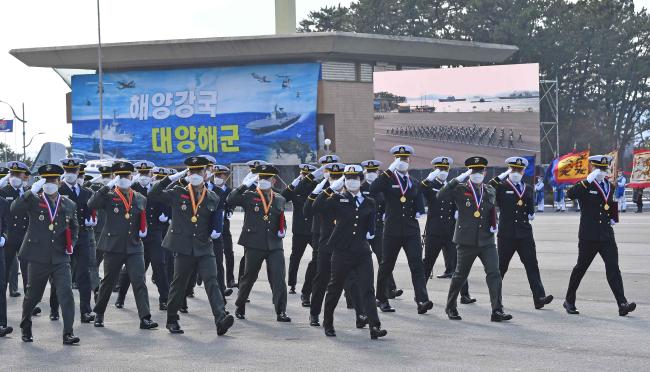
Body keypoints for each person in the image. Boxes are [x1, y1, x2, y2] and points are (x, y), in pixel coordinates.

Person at [149, 156, 234, 335]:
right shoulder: (177, 192)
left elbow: (216, 217)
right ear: (187, 173)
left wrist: (216, 230)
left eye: (199, 171)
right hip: (183, 246)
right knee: (179, 283)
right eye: (192, 171)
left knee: (212, 280)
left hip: (204, 246)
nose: (195, 174)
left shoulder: (212, 196)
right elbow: (154, 194)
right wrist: (170, 179)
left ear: (205, 173)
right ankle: (172, 319)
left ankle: (220, 319)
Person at [438, 156, 512, 322]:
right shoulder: (460, 189)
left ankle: (497, 311)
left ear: (485, 173)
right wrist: (457, 179)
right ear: (469, 172)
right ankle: (451, 307)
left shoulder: (490, 190)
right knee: (459, 276)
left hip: (486, 241)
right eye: (474, 171)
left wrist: (495, 223)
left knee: (494, 273)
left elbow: (491, 210)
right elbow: (441, 195)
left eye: (480, 171)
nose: (477, 174)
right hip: (466, 241)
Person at [318, 164, 387, 340]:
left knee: (367, 290)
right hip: (342, 252)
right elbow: (316, 208)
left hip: (362, 253)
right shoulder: (337, 199)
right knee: (334, 288)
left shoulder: (369, 202)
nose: (351, 181)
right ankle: (328, 323)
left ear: (361, 180)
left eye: (355, 178)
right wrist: (329, 189)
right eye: (348, 178)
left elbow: (371, 228)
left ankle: (375, 326)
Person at [13, 164, 80, 344]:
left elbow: (74, 227)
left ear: (59, 182)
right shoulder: (34, 200)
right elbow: (14, 209)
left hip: (60, 257)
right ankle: (26, 324)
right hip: (38, 256)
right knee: (33, 295)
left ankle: (68, 333)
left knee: (66, 293)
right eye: (46, 180)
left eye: (52, 180)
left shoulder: (68, 203)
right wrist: (29, 190)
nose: (50, 183)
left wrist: (71, 244)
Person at [89, 161, 158, 330]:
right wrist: (107, 187)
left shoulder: (140, 198)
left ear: (131, 176)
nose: (123, 179)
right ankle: (99, 313)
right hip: (113, 246)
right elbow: (92, 204)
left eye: (126, 175)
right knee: (108, 282)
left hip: (134, 246)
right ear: (115, 178)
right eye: (119, 176)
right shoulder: (109, 196)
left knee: (139, 281)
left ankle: (145, 318)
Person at [564, 155, 636, 316]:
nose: (602, 171)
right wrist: (588, 180)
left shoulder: (609, 186)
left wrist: (613, 217)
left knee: (613, 269)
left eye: (604, 168)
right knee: (580, 268)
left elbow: (609, 204)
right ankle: (569, 300)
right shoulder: (585, 184)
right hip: (588, 235)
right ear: (592, 168)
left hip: (606, 235)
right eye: (599, 168)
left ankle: (622, 303)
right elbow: (570, 194)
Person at [370, 145, 433, 314]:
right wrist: (388, 171)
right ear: (394, 160)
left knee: (417, 265)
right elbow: (373, 189)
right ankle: (381, 298)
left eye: (405, 159)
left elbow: (422, 196)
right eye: (400, 159)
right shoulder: (388, 180)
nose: (403, 161)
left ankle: (422, 300)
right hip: (392, 230)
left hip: (411, 230)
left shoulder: (413, 182)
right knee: (387, 265)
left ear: (410, 160)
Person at [228, 164, 291, 322]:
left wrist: (283, 229)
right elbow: (231, 199)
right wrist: (244, 184)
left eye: (267, 178)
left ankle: (281, 311)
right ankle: (240, 305)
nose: (264, 180)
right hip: (254, 243)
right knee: (249, 277)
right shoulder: (249, 195)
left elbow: (280, 219)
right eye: (261, 178)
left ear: (274, 181)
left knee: (278, 278)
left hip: (274, 244)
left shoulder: (280, 198)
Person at [489, 157, 553, 309]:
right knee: (501, 268)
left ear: (524, 171)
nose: (516, 172)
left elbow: (530, 207)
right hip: (507, 234)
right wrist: (503, 175)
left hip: (524, 234)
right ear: (509, 170)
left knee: (532, 266)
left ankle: (539, 298)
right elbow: (489, 187)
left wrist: (532, 213)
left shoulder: (528, 188)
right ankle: (496, 300)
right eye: (513, 169)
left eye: (519, 170)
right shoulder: (502, 186)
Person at [307, 162, 366, 328]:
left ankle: (361, 314)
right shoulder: (329, 197)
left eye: (341, 178)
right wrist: (329, 189)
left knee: (352, 281)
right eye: (334, 178)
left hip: (346, 247)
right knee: (322, 280)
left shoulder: (351, 197)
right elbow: (312, 208)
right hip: (326, 246)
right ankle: (314, 313)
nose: (338, 181)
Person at [115, 161, 170, 310]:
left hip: (154, 232)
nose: (144, 176)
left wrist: (166, 214)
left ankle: (164, 299)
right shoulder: (132, 189)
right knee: (131, 269)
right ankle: (120, 297)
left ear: (152, 174)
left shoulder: (156, 188)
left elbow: (166, 204)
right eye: (141, 173)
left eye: (146, 173)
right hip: (136, 234)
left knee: (159, 264)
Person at [49, 158, 96, 324]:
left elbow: (91, 210)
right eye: (67, 171)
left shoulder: (86, 192)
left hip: (81, 236)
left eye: (73, 171)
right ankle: (54, 308)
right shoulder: (57, 191)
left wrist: (92, 218)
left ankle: (86, 311)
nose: (70, 174)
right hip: (62, 237)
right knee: (59, 275)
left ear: (78, 172)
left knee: (84, 273)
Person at [421, 156, 474, 304]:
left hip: (450, 231)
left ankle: (465, 295)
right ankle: (420, 294)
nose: (443, 171)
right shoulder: (430, 186)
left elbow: (460, 201)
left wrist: (459, 211)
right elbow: (420, 189)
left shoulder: (453, 187)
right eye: (440, 169)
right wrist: (427, 179)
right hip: (434, 231)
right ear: (434, 170)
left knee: (459, 263)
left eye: (445, 169)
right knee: (428, 263)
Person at [292, 154, 340, 307]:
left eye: (330, 168)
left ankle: (353, 301)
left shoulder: (342, 182)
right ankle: (306, 293)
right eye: (325, 168)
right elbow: (298, 190)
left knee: (345, 264)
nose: (328, 172)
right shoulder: (317, 184)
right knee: (317, 265)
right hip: (320, 230)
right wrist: (314, 175)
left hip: (340, 230)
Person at [1, 161, 39, 315]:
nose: (15, 177)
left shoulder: (30, 192)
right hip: (8, 238)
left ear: (25, 176)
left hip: (26, 237)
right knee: (3, 274)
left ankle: (29, 305)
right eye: (12, 174)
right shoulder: (3, 191)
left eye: (18, 174)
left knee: (28, 274)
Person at [361, 160, 402, 299]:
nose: (372, 174)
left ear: (378, 172)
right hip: (361, 228)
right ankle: (353, 289)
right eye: (369, 171)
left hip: (378, 227)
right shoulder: (361, 187)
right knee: (358, 260)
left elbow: (386, 203)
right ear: (365, 172)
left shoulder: (382, 187)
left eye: (374, 171)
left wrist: (385, 213)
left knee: (383, 259)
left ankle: (390, 289)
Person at [281, 164, 316, 295]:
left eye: (307, 175)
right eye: (303, 175)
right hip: (299, 230)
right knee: (295, 258)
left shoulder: (316, 188)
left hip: (313, 230)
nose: (305, 177)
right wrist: (293, 183)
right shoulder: (296, 189)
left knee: (321, 256)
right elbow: (283, 197)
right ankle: (292, 284)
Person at [210, 164, 235, 298]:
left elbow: (231, 203)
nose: (218, 177)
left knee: (228, 253)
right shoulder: (209, 189)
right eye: (216, 175)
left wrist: (230, 210)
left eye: (221, 175)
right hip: (210, 227)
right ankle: (198, 276)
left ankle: (229, 279)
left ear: (226, 176)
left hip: (224, 226)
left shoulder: (229, 190)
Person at [0, 193, 12, 337]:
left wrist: (4, 236)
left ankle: (1, 323)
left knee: (1, 285)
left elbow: (7, 224)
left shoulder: (2, 202)